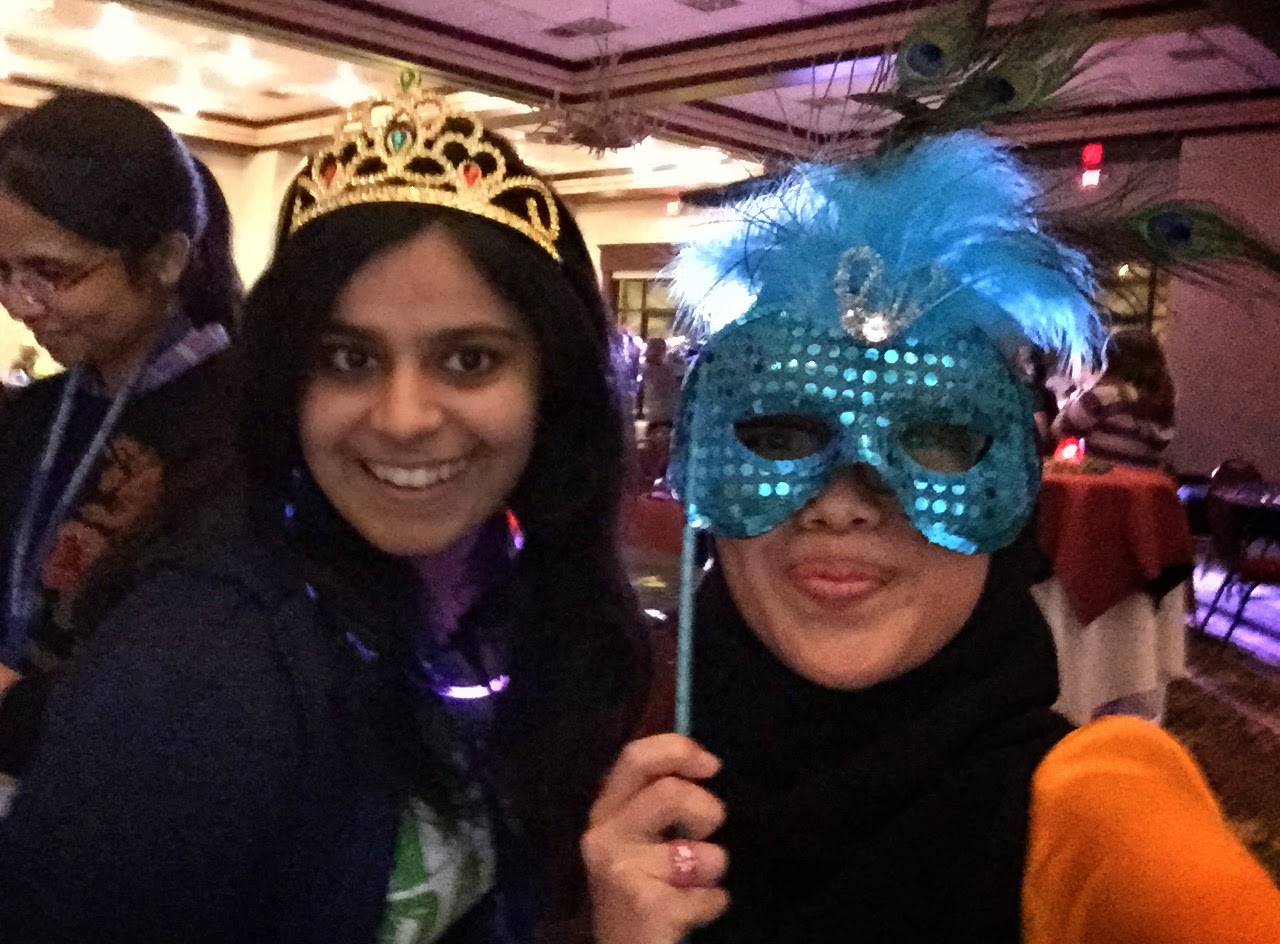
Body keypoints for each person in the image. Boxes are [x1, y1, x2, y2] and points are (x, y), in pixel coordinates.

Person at [581, 133, 1280, 944]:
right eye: (777, 434)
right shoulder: (628, 773)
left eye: (939, 439)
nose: (841, 509)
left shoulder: (1087, 812)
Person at [0, 82, 649, 942]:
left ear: (552, 382)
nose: (404, 418)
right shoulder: (198, 673)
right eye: (348, 358)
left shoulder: (534, 598)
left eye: (468, 359)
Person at [0, 91, 242, 774]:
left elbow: (194, 686)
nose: (20, 305)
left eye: (52, 274)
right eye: (3, 273)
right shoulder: (35, 412)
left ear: (166, 259)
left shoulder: (243, 429)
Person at [1051, 327, 1176, 469]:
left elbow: (1061, 429)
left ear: (1111, 360)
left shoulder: (1102, 397)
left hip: (1103, 478)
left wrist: (1071, 401)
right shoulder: (1161, 402)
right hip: (1143, 480)